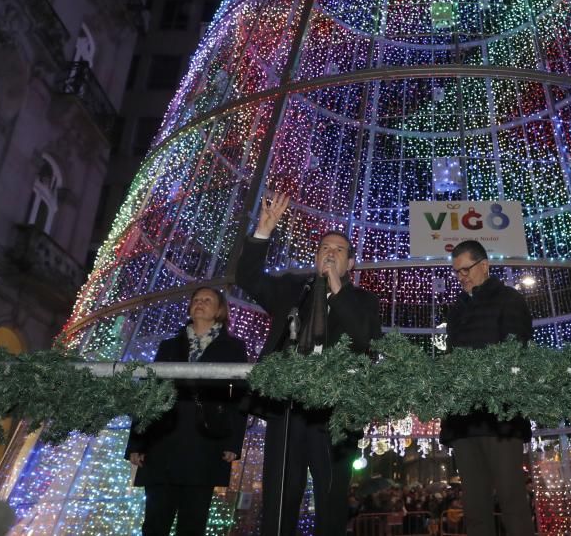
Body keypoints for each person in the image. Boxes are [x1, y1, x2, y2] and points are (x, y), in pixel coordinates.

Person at [236, 191, 382, 536]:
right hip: (287, 408)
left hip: (336, 411)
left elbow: (367, 342)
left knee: (330, 498)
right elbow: (247, 279)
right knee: (280, 494)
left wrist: (337, 288)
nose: (330, 254)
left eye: (339, 251)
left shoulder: (363, 301)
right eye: (324, 249)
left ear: (351, 264)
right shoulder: (292, 289)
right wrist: (263, 232)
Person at [125, 286, 248, 536]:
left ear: (220, 310)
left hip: (205, 444)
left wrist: (233, 442)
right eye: (196, 300)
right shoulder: (168, 346)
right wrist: (137, 442)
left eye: (207, 300)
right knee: (154, 523)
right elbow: (149, 391)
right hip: (164, 442)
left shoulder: (233, 348)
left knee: (193, 524)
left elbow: (240, 397)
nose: (200, 303)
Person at [440, 240, 536, 536]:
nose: (461, 277)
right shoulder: (456, 309)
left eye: (466, 269)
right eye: (457, 272)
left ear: (485, 265)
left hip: (500, 415)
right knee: (475, 507)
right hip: (463, 419)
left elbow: (516, 349)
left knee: (512, 501)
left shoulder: (509, 299)